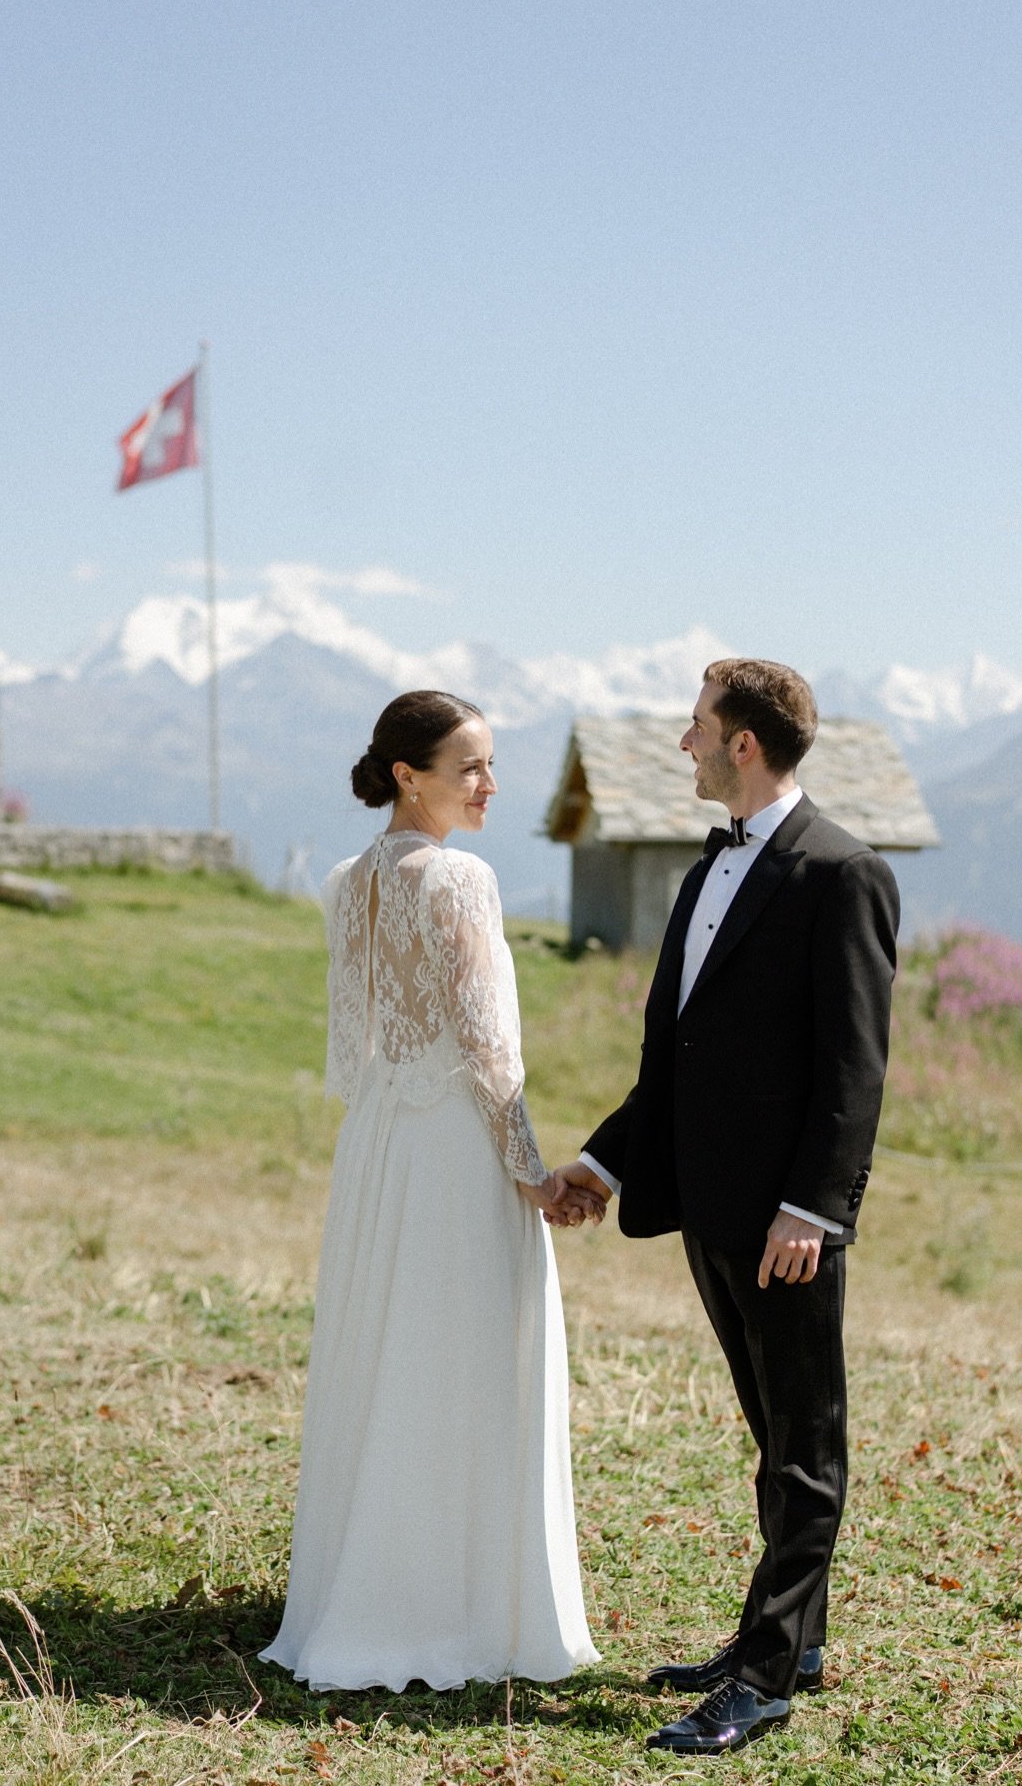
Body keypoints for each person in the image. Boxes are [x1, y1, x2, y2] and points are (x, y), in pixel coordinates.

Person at [551, 658, 899, 1756]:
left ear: (743, 742)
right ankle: (792, 1641)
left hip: (787, 1222)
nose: (684, 743)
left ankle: (761, 1678)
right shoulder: (709, 875)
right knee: (771, 1430)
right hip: (710, 1208)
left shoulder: (844, 873)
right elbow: (680, 1059)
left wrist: (816, 1206)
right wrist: (604, 1166)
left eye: (696, 726)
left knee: (806, 1446)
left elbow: (855, 1067)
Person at [260, 690, 601, 1692]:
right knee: (464, 1352)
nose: (491, 785)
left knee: (389, 1350)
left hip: (377, 1146)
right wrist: (533, 1168)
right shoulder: (458, 878)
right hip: (453, 1147)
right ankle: (453, 1607)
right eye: (472, 768)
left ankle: (367, 1585)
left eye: (491, 764)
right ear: (410, 775)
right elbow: (489, 1045)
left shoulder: (345, 878)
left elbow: (360, 1041)